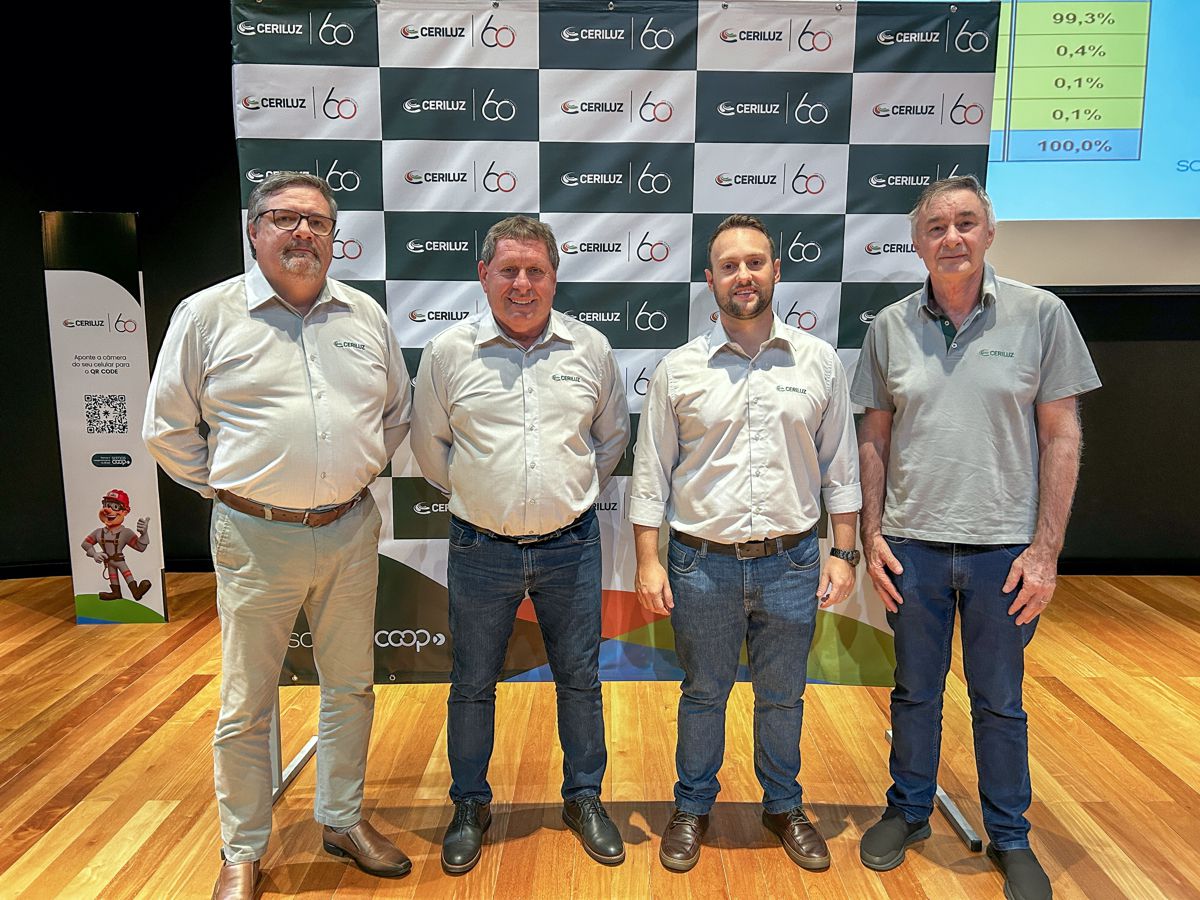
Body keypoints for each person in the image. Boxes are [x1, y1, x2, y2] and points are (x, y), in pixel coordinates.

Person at [143, 172, 413, 900]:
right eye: (285, 218)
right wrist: (235, 490)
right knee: (246, 703)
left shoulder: (364, 315)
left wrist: (348, 474)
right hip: (254, 538)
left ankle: (342, 819)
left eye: (317, 222)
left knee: (351, 687)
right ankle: (242, 849)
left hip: (350, 529)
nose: (303, 233)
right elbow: (167, 429)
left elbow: (395, 414)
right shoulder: (206, 315)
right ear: (253, 230)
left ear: (334, 237)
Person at [852, 175, 1100, 900]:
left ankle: (1010, 836)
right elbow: (874, 437)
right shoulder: (889, 326)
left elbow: (1061, 436)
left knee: (999, 701)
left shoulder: (1042, 314)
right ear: (916, 243)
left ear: (990, 233)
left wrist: (1045, 552)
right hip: (913, 546)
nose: (951, 238)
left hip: (1004, 552)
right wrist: (871, 533)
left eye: (965, 223)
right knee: (914, 693)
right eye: (936, 227)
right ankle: (908, 812)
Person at [630, 214, 861, 872]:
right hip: (701, 565)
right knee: (704, 693)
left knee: (783, 695)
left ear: (776, 271)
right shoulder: (679, 369)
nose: (743, 275)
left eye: (755, 262)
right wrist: (647, 561)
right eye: (729, 265)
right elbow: (650, 475)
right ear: (710, 279)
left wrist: (844, 552)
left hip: (793, 562)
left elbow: (840, 466)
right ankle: (691, 806)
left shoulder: (817, 362)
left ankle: (783, 805)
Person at [410, 215, 630, 873]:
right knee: (472, 683)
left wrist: (564, 495)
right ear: (484, 275)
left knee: (580, 679)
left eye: (536, 271)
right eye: (509, 270)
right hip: (481, 547)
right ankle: (470, 805)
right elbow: (430, 448)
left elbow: (610, 440)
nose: (523, 284)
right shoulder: (448, 354)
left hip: (571, 545)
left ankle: (584, 798)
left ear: (555, 277)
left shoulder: (590, 348)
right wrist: (487, 496)